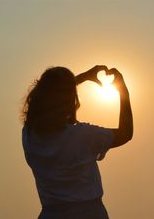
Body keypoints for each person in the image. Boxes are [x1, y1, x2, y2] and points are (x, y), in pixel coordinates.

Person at [21, 65, 133, 219]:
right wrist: (123, 91)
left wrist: (82, 77)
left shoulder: (29, 135)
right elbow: (125, 133)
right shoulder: (82, 136)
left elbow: (47, 97)